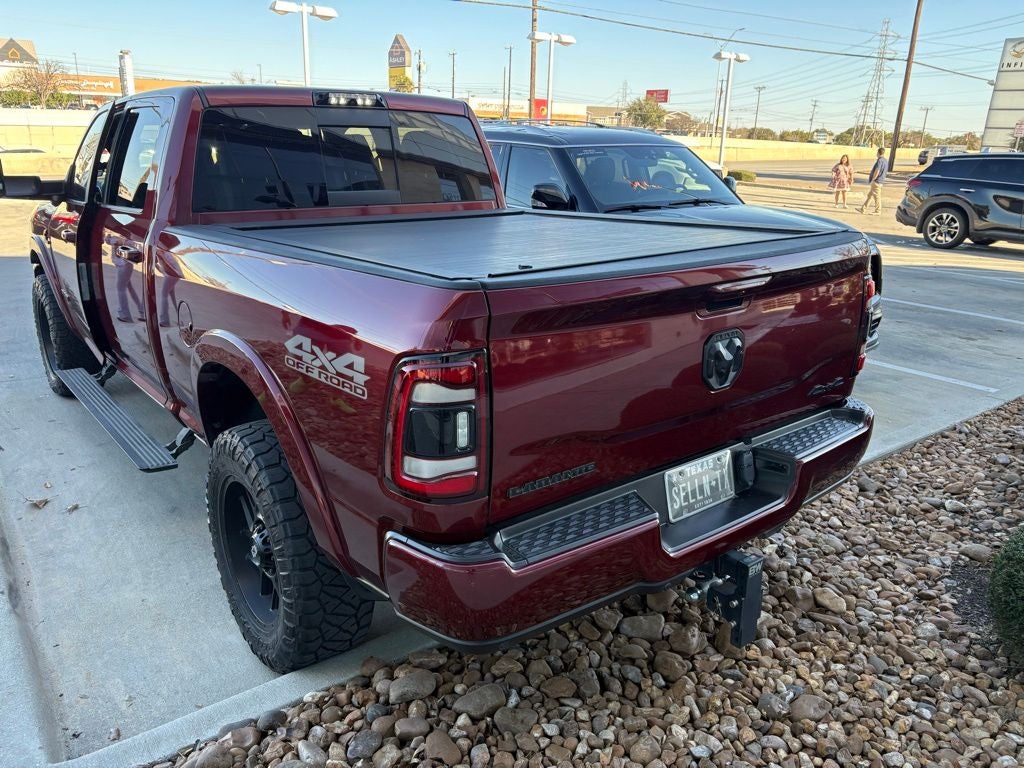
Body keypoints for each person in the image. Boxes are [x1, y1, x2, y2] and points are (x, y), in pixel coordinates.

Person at [858, 147, 889, 215]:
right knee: (870, 195)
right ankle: (863, 209)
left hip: (877, 181)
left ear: (878, 153)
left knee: (877, 197)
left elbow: (877, 171)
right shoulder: (885, 160)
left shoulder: (880, 161)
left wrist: (873, 179)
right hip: (880, 180)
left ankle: (878, 211)